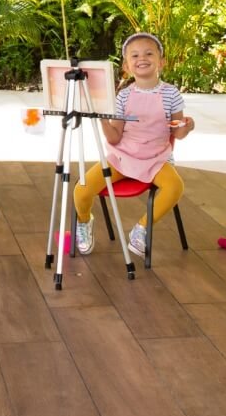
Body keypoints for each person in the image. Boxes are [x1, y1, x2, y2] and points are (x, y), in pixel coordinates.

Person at [72, 32, 194, 255]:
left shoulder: (171, 94)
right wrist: (100, 118)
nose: (142, 58)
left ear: (161, 61)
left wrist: (187, 126)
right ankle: (84, 221)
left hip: (156, 158)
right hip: (123, 156)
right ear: (127, 66)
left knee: (175, 187)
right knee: (81, 190)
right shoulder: (123, 96)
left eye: (149, 53)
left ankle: (142, 228)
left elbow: (178, 131)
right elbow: (114, 137)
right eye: (135, 55)